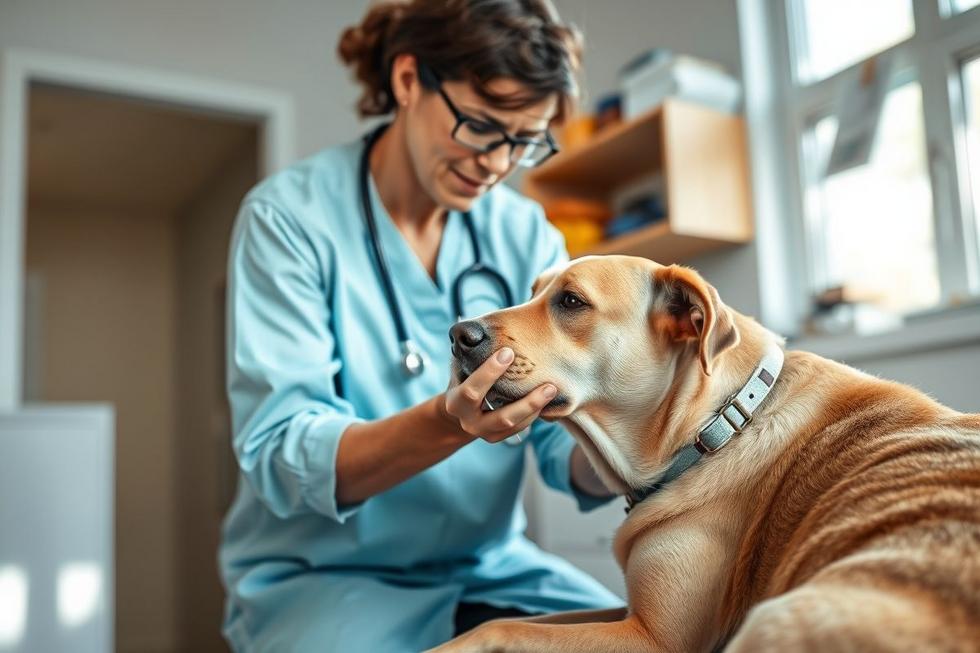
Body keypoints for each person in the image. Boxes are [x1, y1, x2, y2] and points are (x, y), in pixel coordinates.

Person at [218, 1, 623, 650]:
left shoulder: (523, 237)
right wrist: (446, 421)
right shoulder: (290, 219)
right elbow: (283, 452)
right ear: (409, 81)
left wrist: (635, 444)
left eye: (525, 141)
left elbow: (559, 445)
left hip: (492, 564)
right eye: (482, 125)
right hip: (327, 576)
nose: (497, 162)